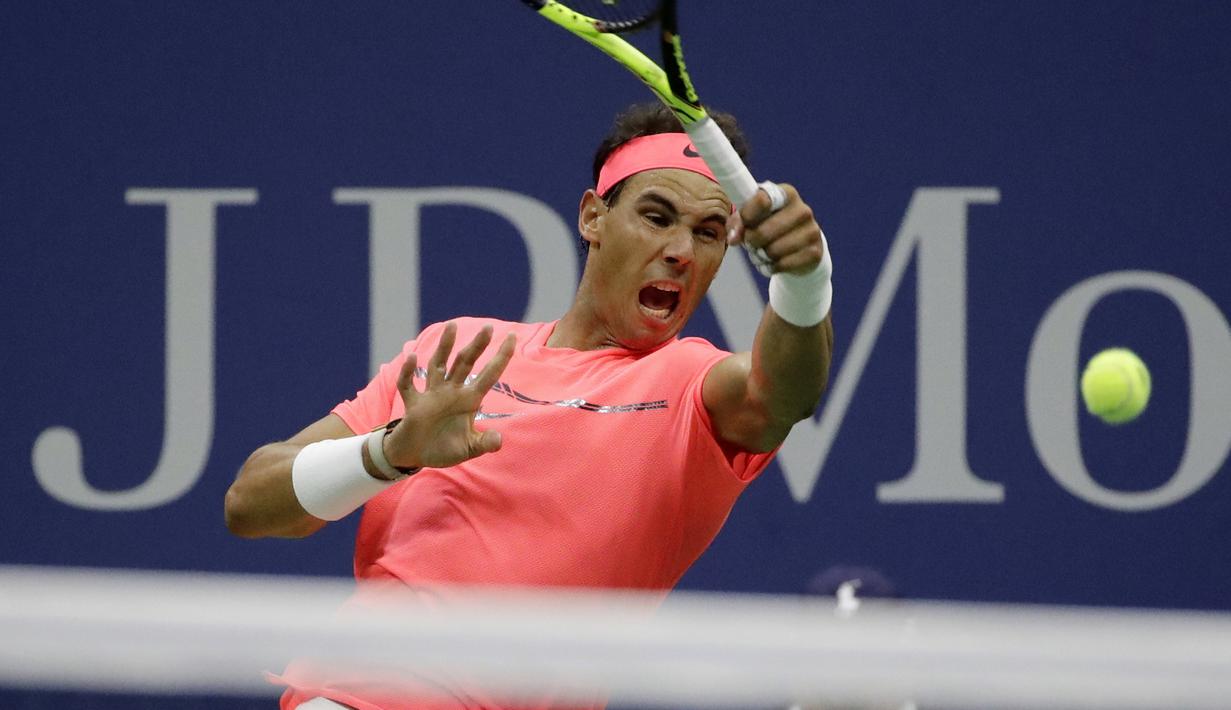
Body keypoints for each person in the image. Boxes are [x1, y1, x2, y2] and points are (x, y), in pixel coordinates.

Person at [224, 103, 835, 709]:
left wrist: (806, 280)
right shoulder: (459, 350)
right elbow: (251, 504)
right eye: (656, 216)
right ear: (593, 217)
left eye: (707, 233)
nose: (681, 250)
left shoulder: (690, 385)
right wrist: (388, 452)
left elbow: (781, 390)